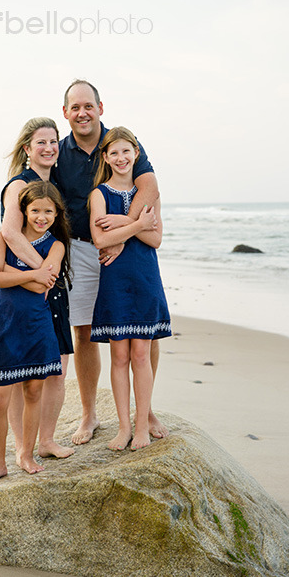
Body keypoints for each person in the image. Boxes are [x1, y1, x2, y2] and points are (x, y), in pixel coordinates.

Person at [48, 79, 167, 445]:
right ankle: (88, 414)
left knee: (142, 330)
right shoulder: (59, 151)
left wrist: (124, 234)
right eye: (75, 107)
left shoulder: (121, 141)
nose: (82, 113)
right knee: (84, 330)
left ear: (101, 107)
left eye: (88, 106)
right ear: (66, 113)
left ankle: (143, 411)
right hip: (81, 249)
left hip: (128, 250)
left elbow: (149, 187)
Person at [0, 117, 75, 461]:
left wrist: (48, 276)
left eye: (54, 141)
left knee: (55, 366)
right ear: (27, 148)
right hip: (18, 288)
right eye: (40, 142)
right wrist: (41, 274)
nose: (48, 148)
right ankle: (21, 447)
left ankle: (46, 440)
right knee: (16, 374)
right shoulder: (18, 185)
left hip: (48, 285)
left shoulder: (55, 184)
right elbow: (11, 234)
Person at [0, 181, 71, 481]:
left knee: (34, 391)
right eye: (35, 210)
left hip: (38, 326)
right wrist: (33, 273)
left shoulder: (56, 245)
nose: (41, 217)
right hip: (6, 326)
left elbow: (44, 285)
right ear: (24, 211)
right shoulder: (5, 238)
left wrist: (13, 273)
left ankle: (28, 455)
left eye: (48, 211)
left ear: (57, 214)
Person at [88, 127, 171, 450]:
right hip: (115, 282)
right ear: (105, 157)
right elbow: (100, 239)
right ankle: (123, 428)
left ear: (136, 154)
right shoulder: (99, 195)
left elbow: (156, 239)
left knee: (141, 353)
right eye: (114, 153)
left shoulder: (150, 194)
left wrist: (123, 224)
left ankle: (141, 427)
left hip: (145, 278)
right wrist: (137, 224)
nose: (121, 158)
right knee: (119, 355)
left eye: (127, 152)